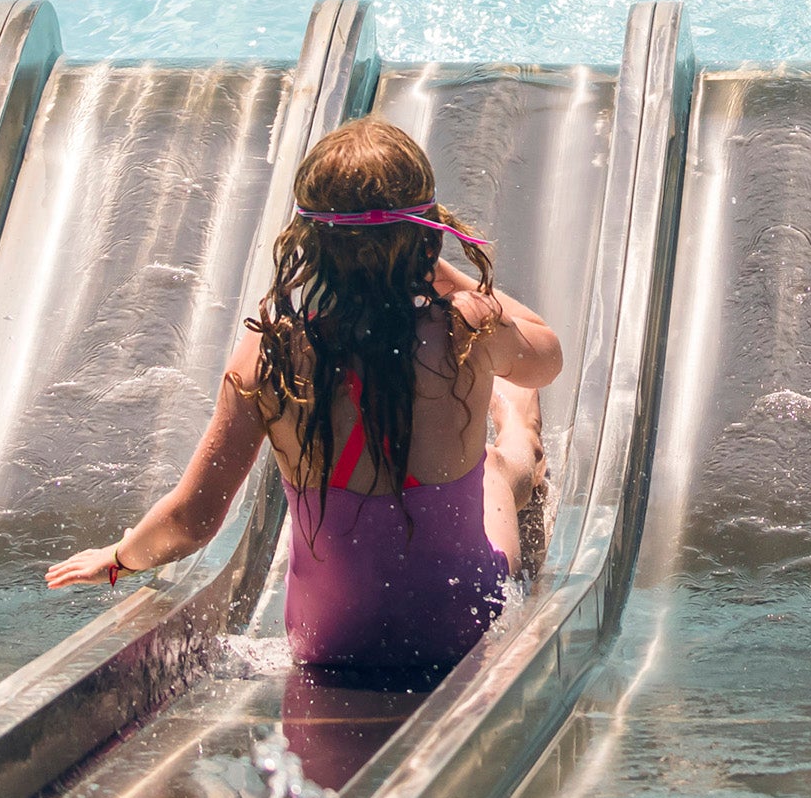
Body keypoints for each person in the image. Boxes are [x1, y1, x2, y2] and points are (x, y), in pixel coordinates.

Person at [46, 120, 563, 686]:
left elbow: (191, 520)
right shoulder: (469, 326)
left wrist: (120, 557)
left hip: (326, 642)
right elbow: (547, 354)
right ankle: (521, 434)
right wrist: (435, 270)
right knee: (498, 459)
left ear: (309, 242)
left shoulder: (268, 354)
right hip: (460, 625)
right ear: (426, 233)